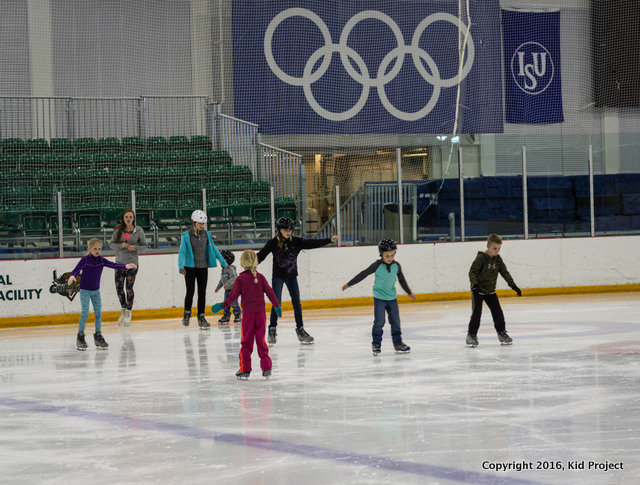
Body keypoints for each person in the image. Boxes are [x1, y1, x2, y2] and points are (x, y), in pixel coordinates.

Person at [256, 216, 338, 345]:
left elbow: (312, 243)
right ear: (279, 230)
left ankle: (300, 330)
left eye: (290, 230)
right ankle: (272, 329)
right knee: (276, 303)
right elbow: (260, 256)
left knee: (297, 303)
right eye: (285, 230)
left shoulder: (296, 242)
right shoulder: (273, 243)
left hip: (292, 277)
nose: (288, 232)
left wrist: (329, 240)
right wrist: (250, 264)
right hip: (278, 277)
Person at [211, 250, 281, 379]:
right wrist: (277, 306)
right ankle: (266, 367)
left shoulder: (241, 279)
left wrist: (222, 305)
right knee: (261, 341)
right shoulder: (260, 277)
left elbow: (232, 298)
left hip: (248, 316)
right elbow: (270, 292)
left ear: (242, 263)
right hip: (261, 315)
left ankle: (245, 369)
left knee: (246, 343)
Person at [342, 239, 415, 355]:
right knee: (379, 321)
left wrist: (409, 292)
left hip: (392, 298)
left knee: (395, 321)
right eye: (387, 256)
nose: (390, 258)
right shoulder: (377, 265)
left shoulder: (396, 266)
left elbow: (402, 280)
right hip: (379, 298)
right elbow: (363, 274)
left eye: (392, 255)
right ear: (381, 254)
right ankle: (376, 344)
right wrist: (349, 284)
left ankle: (398, 343)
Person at [68, 238, 137, 351]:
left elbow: (114, 265)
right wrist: (72, 276)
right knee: (85, 312)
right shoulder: (85, 260)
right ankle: (80, 336)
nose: (97, 251)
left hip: (96, 292)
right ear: (89, 249)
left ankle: (98, 336)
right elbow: (76, 270)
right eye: (95, 249)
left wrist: (126, 266)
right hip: (85, 291)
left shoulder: (101, 260)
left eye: (99, 249)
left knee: (98, 313)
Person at [465, 233, 522, 347]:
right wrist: (474, 285)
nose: (497, 251)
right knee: (476, 313)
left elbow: (505, 273)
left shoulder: (498, 259)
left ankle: (501, 333)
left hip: (490, 291)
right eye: (494, 248)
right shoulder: (481, 258)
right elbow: (472, 272)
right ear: (488, 246)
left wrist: (513, 286)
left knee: (497, 312)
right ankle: (471, 335)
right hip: (478, 291)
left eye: (499, 248)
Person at [178, 209, 227, 329]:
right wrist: (180, 267)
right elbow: (182, 252)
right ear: (194, 222)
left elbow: (215, 250)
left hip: (203, 267)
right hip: (189, 268)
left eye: (203, 223)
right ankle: (187, 314)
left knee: (202, 293)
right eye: (200, 223)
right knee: (190, 292)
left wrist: (224, 263)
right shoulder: (186, 236)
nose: (202, 225)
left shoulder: (206, 235)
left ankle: (201, 317)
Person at [109, 209, 147, 326]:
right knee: (119, 288)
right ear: (123, 218)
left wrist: (134, 248)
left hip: (132, 264)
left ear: (134, 218)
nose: (128, 219)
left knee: (129, 288)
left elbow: (145, 246)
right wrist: (121, 246)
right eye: (126, 217)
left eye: (131, 217)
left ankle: (129, 312)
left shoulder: (139, 230)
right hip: (119, 263)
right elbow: (111, 244)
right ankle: (123, 310)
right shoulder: (118, 230)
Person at [214, 250, 241, 324]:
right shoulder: (223, 270)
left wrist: (227, 284)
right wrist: (218, 287)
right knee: (226, 303)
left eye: (222, 259)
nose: (220, 261)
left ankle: (237, 315)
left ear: (228, 260)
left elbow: (234, 277)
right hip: (227, 290)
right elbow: (222, 279)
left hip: (234, 289)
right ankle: (226, 316)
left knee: (234, 303)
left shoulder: (230, 268)